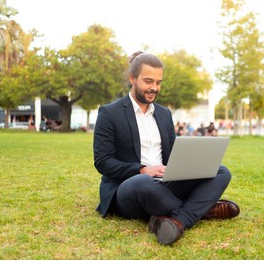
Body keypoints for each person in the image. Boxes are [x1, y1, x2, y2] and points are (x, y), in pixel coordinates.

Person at [93, 52, 240, 246]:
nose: (154, 87)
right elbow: (103, 161)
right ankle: (204, 210)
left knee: (221, 171)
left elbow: (171, 155)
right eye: (148, 81)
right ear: (132, 79)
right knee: (143, 182)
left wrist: (188, 164)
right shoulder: (109, 113)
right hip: (129, 186)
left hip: (164, 181)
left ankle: (177, 220)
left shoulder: (163, 114)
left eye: (158, 82)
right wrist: (142, 169)